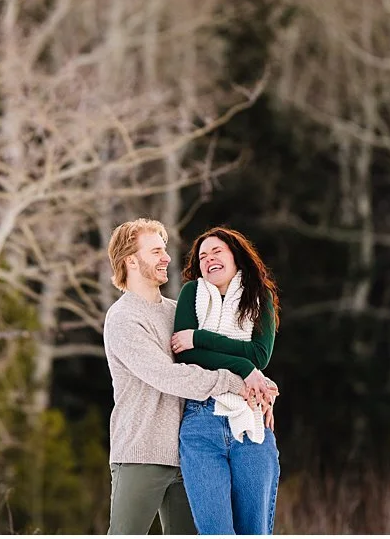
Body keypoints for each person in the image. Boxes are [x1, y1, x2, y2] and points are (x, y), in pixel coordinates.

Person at [102, 218, 280, 534]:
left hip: (187, 451)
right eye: (156, 251)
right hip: (143, 453)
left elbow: (223, 354)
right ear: (131, 259)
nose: (167, 258)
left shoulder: (176, 311)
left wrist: (258, 388)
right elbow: (168, 375)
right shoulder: (123, 319)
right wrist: (240, 383)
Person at [167, 226, 283, 535]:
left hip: (251, 421)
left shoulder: (260, 297)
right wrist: (243, 369)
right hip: (201, 421)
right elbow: (186, 356)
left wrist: (199, 337)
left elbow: (259, 355)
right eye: (203, 256)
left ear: (236, 255)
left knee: (253, 531)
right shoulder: (191, 294)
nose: (209, 259)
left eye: (217, 251)